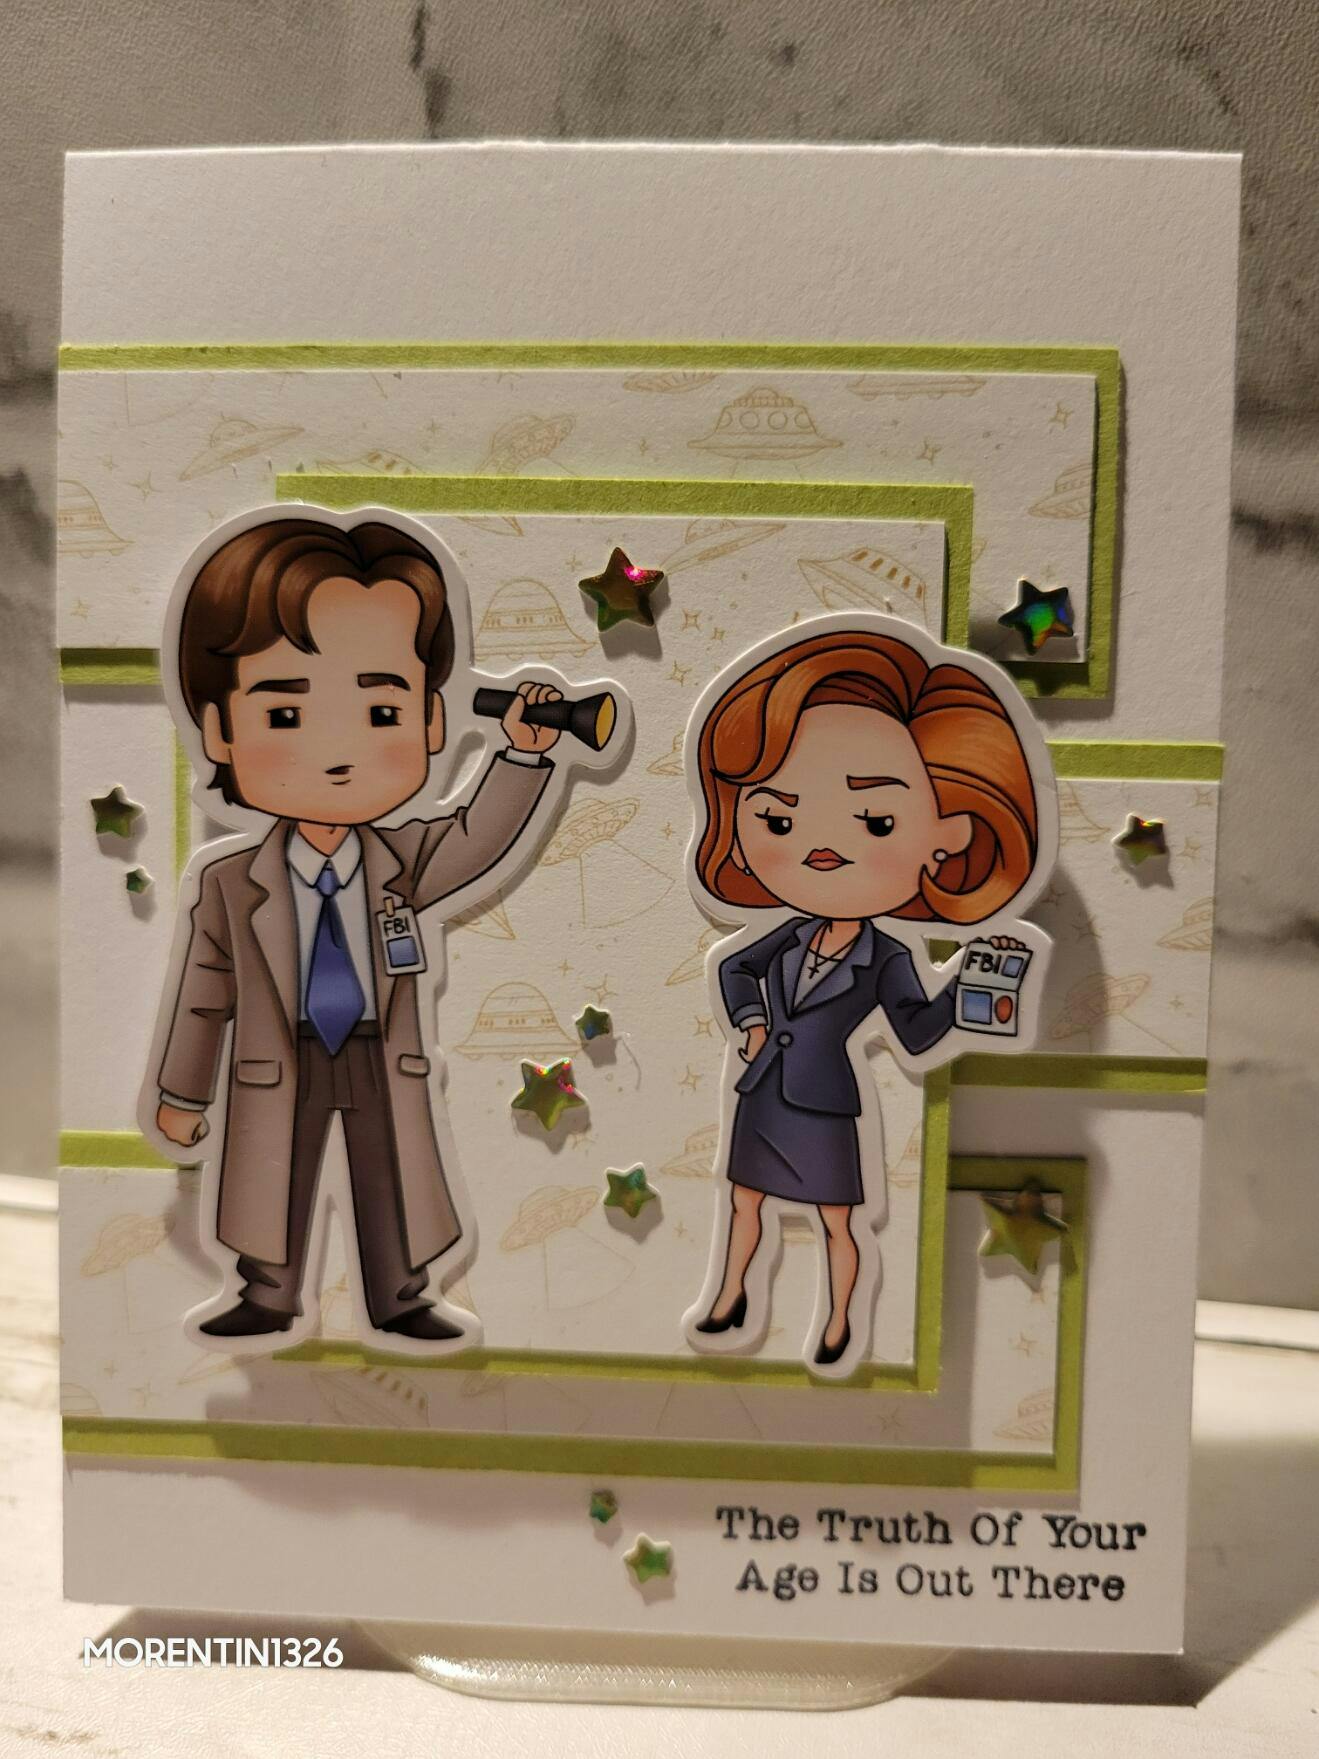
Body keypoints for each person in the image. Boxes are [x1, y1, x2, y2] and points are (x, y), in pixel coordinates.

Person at [152, 514, 562, 1344]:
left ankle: (400, 1294)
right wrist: (180, 1094)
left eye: (379, 711)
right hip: (282, 1053)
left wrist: (521, 755)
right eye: (285, 715)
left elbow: (478, 836)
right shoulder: (231, 884)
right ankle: (267, 1292)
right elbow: (202, 995)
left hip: (378, 1048)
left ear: (430, 721)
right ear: (220, 729)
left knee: (390, 1172)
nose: (337, 752)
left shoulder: (405, 860)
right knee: (275, 1170)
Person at [688, 627, 1041, 1368]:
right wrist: (751, 1022)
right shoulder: (785, 934)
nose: (820, 845)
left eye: (878, 822)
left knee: (837, 1221)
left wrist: (969, 985)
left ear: (947, 836)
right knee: (744, 1202)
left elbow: (916, 1033)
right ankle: (729, 1297)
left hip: (823, 1106)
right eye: (778, 819)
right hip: (764, 1094)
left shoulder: (888, 956)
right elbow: (734, 971)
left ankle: (840, 1322)